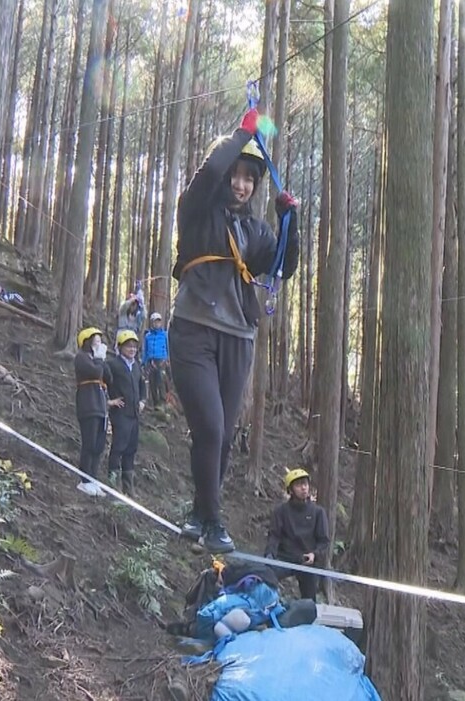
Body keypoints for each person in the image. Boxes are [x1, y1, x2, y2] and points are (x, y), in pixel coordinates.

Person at [170, 107, 300, 554]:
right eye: (237, 175)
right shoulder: (197, 210)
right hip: (193, 330)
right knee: (209, 426)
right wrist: (242, 134)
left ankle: (198, 513)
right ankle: (213, 518)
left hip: (238, 338)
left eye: (250, 178)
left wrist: (290, 223)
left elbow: (283, 265)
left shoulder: (256, 231)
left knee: (224, 435)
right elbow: (208, 174)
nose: (241, 184)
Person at [264, 468, 330, 601]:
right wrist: (269, 556)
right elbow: (274, 536)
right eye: (299, 485)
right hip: (285, 559)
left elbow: (324, 541)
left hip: (308, 562)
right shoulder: (280, 511)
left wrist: (314, 554)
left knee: (309, 601)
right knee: (265, 576)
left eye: (305, 484)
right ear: (290, 490)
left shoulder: (318, 512)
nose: (304, 488)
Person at [106, 329, 145, 496]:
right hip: (120, 413)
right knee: (119, 447)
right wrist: (109, 401)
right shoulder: (112, 365)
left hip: (134, 414)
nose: (132, 350)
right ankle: (113, 485)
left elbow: (142, 385)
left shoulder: (136, 366)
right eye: (128, 347)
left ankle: (128, 488)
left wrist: (143, 400)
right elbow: (101, 383)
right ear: (120, 347)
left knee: (131, 448)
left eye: (134, 347)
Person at [74, 327, 109, 496]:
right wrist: (99, 359)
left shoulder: (97, 359)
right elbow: (95, 371)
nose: (99, 343)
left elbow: (107, 375)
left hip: (101, 406)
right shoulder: (81, 358)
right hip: (88, 405)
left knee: (99, 445)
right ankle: (84, 480)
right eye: (95, 340)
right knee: (89, 443)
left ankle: (93, 478)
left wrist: (104, 359)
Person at [143, 312, 169, 409]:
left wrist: (167, 359)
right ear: (152, 323)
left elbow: (168, 347)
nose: (157, 324)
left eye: (158, 322)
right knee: (152, 381)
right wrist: (144, 362)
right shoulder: (148, 336)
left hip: (161, 360)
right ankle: (155, 402)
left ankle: (163, 401)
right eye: (155, 322)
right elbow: (145, 350)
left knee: (161, 380)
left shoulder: (164, 335)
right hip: (151, 360)